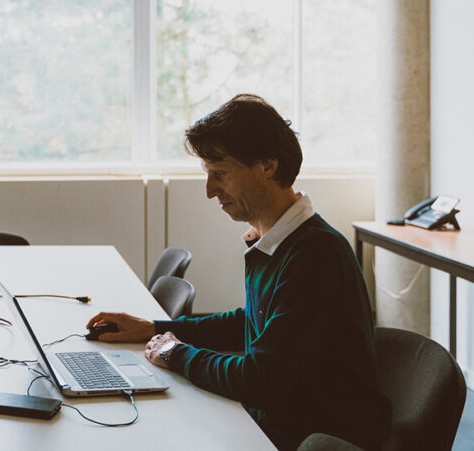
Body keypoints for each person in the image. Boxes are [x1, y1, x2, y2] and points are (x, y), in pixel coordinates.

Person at [87, 94, 392, 450]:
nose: (209, 190)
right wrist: (155, 329)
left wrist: (175, 353)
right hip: (279, 419)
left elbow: (261, 380)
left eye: (221, 174)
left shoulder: (315, 254)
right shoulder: (278, 239)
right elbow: (252, 322)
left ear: (267, 167)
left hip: (310, 437)